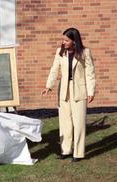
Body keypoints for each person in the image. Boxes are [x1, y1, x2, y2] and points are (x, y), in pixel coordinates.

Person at [41, 28, 95, 162]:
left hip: (79, 90)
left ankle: (78, 153)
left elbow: (90, 73)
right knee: (65, 121)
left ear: (74, 41)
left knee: (79, 123)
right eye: (63, 39)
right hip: (63, 90)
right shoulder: (60, 52)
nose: (63, 42)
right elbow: (54, 69)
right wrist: (49, 86)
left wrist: (91, 91)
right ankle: (65, 151)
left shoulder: (85, 52)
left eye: (66, 40)